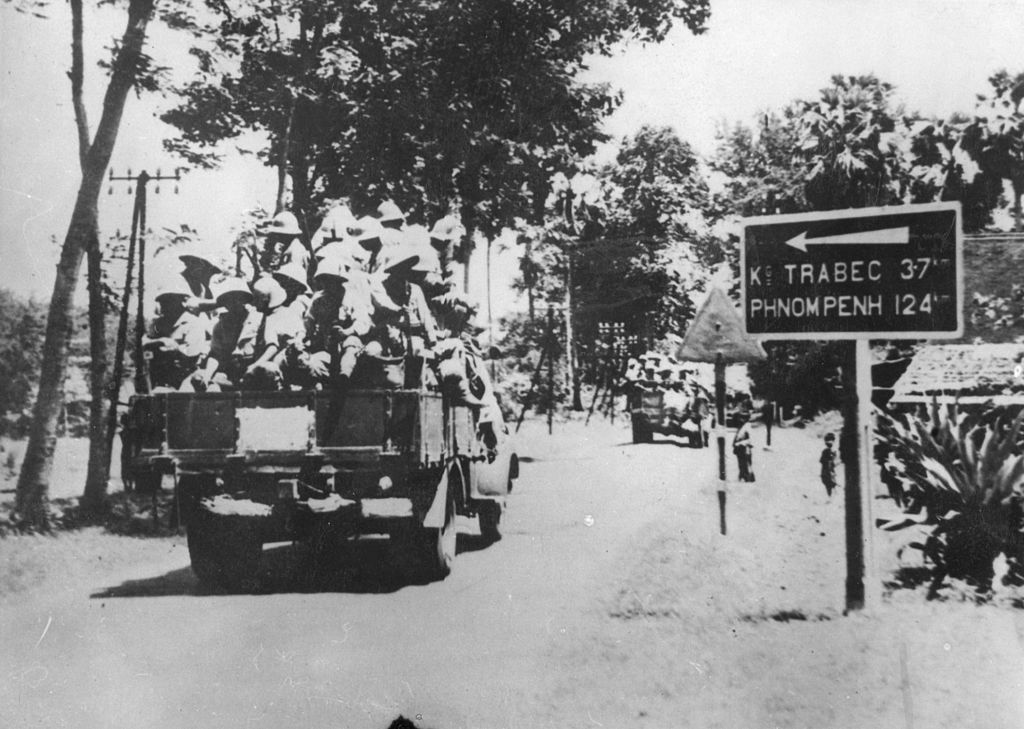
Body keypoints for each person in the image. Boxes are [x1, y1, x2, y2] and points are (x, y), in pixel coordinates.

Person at [189, 277, 261, 391]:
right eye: (228, 300)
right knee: (202, 380)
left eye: (237, 298)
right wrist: (207, 375)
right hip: (231, 370)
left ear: (244, 299)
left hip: (253, 368)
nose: (233, 303)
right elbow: (216, 355)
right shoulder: (221, 326)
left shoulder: (257, 318)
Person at [142, 278, 208, 390]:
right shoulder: (157, 323)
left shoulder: (193, 323)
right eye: (162, 301)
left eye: (169, 300)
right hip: (158, 374)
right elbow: (143, 343)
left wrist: (174, 348)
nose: (164, 305)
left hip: (184, 375)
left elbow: (192, 354)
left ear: (181, 301)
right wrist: (160, 342)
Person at [732, 413, 755, 482]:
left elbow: (750, 439)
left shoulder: (747, 427)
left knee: (745, 462)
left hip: (744, 446)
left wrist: (741, 443)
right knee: (742, 462)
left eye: (742, 418)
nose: (740, 420)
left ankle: (747, 476)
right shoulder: (743, 426)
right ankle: (743, 475)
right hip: (740, 446)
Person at [820, 432, 838, 498]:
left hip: (830, 471)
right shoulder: (825, 451)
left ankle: (832, 497)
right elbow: (822, 461)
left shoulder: (833, 451)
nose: (829, 442)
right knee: (828, 484)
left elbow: (834, 461)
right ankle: (830, 497)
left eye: (831, 440)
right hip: (826, 471)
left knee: (832, 484)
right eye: (827, 440)